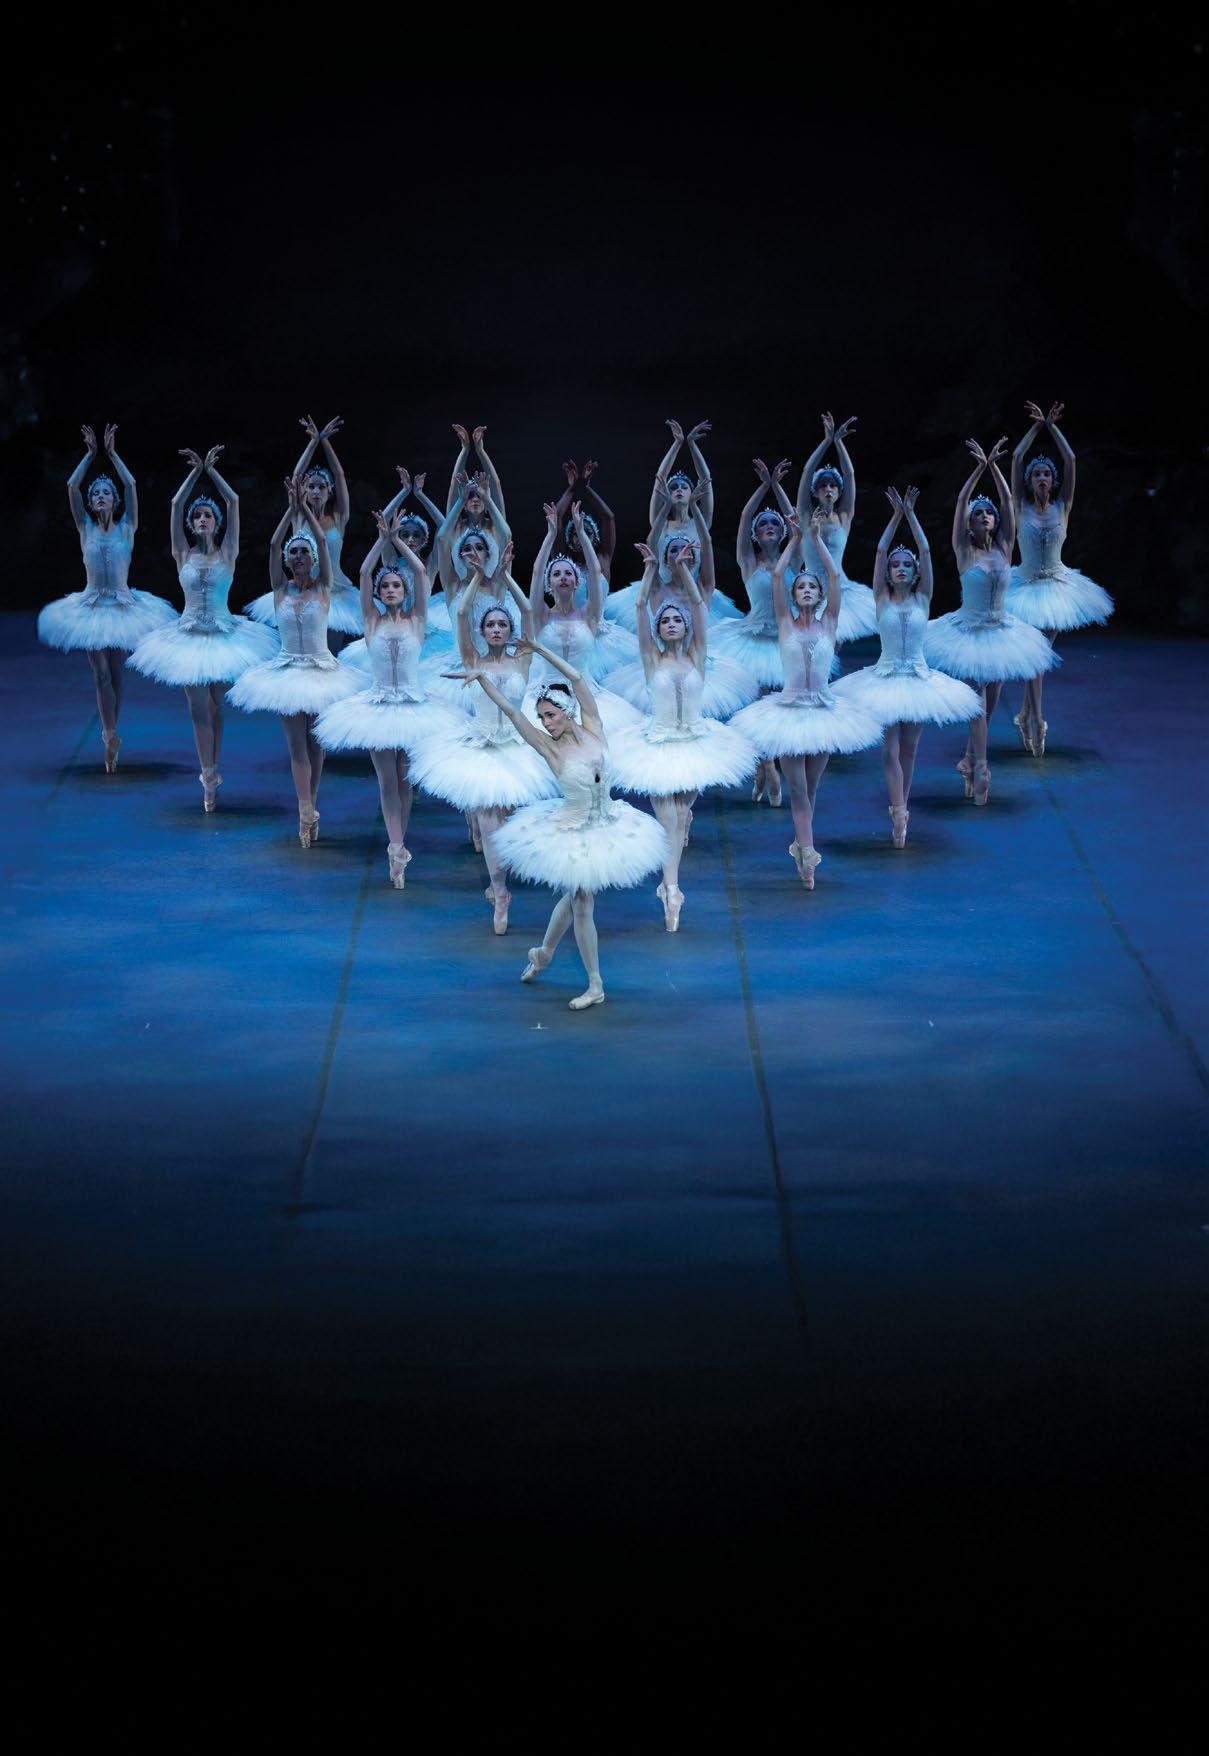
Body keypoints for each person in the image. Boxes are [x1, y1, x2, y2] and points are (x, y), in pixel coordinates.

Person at [465, 647, 669, 1010]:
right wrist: (482, 679)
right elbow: (512, 712)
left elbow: (576, 678)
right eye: (542, 717)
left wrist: (539, 649)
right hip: (573, 831)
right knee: (582, 903)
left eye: (551, 715)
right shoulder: (550, 749)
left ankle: (544, 952)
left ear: (568, 711)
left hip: (608, 824)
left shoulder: (594, 727)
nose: (546, 723)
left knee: (575, 897)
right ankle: (595, 984)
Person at [312, 511, 463, 888]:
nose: (392, 590)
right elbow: (365, 573)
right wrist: (384, 540)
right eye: (387, 586)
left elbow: (423, 572)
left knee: (405, 779)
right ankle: (396, 847)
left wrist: (399, 544)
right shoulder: (372, 621)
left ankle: (399, 841)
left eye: (397, 585)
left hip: (413, 706)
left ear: (405, 591)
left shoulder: (416, 620)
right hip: (378, 706)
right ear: (379, 593)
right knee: (386, 780)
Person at [730, 514, 881, 884]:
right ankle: (809, 854)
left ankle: (800, 845)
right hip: (789, 713)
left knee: (811, 789)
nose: (808, 590)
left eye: (813, 587)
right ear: (794, 596)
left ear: (820, 594)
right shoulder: (785, 623)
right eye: (802, 588)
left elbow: (834, 577)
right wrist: (796, 540)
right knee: (797, 789)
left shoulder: (830, 622)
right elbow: (778, 577)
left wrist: (816, 540)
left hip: (825, 711)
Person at [609, 544, 754, 927]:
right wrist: (650, 572)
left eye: (677, 620)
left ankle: (670, 878)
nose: (671, 623)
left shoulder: (697, 657)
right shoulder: (651, 659)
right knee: (669, 819)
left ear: (686, 627)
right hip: (657, 745)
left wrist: (685, 570)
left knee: (681, 810)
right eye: (665, 621)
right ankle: (671, 888)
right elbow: (640, 607)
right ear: (657, 630)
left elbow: (699, 605)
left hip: (695, 743)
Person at [410, 562, 557, 933]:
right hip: (481, 747)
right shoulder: (471, 659)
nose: (496, 629)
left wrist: (505, 576)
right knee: (490, 820)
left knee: (506, 820)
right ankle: (500, 890)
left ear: (510, 631)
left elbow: (527, 611)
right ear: (483, 631)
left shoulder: (522, 660)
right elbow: (461, 614)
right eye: (490, 625)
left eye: (502, 625)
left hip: (516, 747)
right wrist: (477, 577)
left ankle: (502, 874)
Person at [129, 445, 276, 810]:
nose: (202, 519)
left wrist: (213, 472)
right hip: (189, 637)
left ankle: (215, 764)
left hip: (224, 636)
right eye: (198, 516)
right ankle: (207, 776)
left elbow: (234, 501)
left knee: (215, 706)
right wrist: (195, 473)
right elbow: (176, 504)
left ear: (216, 521)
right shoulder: (183, 553)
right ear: (191, 524)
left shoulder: (228, 552)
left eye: (208, 515)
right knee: (197, 708)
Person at [832, 490, 982, 846]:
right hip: (884, 679)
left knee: (910, 749)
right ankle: (898, 811)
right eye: (895, 565)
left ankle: (903, 806)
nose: (900, 568)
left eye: (906, 565)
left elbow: (926, 551)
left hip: (917, 678)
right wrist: (895, 517)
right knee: (889, 750)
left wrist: (911, 515)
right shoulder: (881, 598)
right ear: (888, 573)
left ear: (915, 574)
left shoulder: (923, 598)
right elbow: (880, 552)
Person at [924, 439, 1059, 805]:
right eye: (978, 513)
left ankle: (969, 759)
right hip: (969, 632)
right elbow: (960, 503)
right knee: (979, 697)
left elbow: (1009, 504)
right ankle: (982, 768)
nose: (985, 515)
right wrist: (976, 472)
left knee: (990, 701)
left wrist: (994, 468)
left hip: (1001, 630)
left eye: (989, 512)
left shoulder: (1004, 547)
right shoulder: (963, 549)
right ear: (970, 524)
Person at [38, 423, 175, 771]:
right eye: (96, 493)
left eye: (105, 493)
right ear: (90, 502)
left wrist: (112, 455)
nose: (100, 496)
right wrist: (89, 455)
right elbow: (72, 486)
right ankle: (109, 734)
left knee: (116, 673)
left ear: (114, 501)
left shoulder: (127, 527)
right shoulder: (84, 528)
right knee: (100, 673)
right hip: (91, 607)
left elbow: (131, 485)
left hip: (124, 606)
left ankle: (113, 736)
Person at [227, 480, 357, 845]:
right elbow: (273, 544)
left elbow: (323, 547)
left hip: (321, 671)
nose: (298, 556)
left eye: (304, 552)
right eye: (294, 553)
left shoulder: (324, 588)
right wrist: (293, 509)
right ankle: (303, 810)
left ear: (313, 559)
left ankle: (311, 803)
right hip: (286, 671)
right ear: (287, 559)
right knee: (296, 745)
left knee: (316, 743)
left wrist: (310, 523)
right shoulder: (279, 589)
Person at [1006, 401, 1113, 755]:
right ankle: (1034, 718)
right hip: (1024, 586)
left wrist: (1052, 427)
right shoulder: (1020, 506)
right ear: (1029, 481)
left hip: (1056, 587)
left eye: (1046, 475)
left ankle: (1031, 715)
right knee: (1038, 655)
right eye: (1036, 474)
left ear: (1053, 482)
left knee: (1039, 655)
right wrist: (1036, 427)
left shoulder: (1062, 506)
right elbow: (1016, 458)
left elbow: (1070, 460)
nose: (1042, 478)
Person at [244, 417, 362, 644]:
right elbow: (296, 476)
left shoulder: (338, 518)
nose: (316, 491)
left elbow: (339, 474)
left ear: (329, 491)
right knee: (303, 642)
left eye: (321, 487)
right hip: (303, 589)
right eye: (311, 487)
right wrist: (312, 441)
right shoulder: (299, 517)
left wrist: (325, 442)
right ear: (304, 491)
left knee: (331, 648)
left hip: (336, 592)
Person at [793, 412, 879, 642]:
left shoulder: (844, 518)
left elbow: (849, 475)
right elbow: (807, 473)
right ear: (816, 491)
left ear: (839, 492)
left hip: (839, 588)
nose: (828, 489)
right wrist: (826, 441)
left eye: (833, 485)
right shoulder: (806, 516)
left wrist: (838, 442)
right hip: (809, 588)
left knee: (834, 641)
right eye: (823, 486)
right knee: (809, 642)